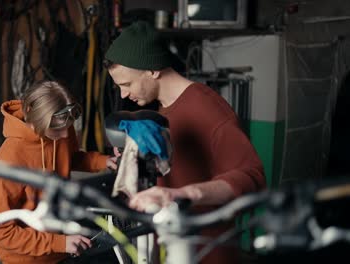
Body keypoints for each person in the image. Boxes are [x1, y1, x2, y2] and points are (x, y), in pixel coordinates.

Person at [104, 21, 266, 263]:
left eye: (126, 84)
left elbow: (253, 177)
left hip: (207, 253)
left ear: (152, 70)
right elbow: (174, 172)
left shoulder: (208, 108)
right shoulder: (163, 112)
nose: (123, 94)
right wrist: (135, 162)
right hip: (172, 250)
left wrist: (183, 194)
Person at [0, 80, 117, 264]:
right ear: (38, 120)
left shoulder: (61, 123)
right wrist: (59, 243)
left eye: (67, 127)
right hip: (29, 259)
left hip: (61, 245)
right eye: (57, 130)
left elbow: (70, 157)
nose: (64, 136)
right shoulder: (10, 159)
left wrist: (103, 161)